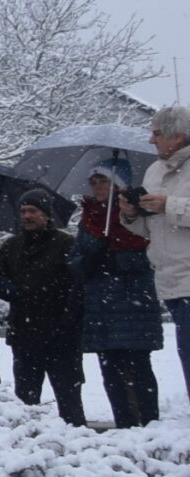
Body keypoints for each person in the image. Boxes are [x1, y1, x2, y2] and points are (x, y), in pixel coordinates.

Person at [74, 167, 162, 427]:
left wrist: (117, 260)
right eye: (93, 182)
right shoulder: (89, 219)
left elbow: (151, 256)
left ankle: (148, 422)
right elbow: (75, 256)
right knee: (110, 367)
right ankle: (123, 421)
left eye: (103, 181)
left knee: (138, 365)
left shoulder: (135, 215)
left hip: (132, 303)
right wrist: (88, 262)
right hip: (100, 305)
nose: (97, 186)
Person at [0, 191, 84, 425]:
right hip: (24, 332)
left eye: (32, 211)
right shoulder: (12, 246)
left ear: (46, 214)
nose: (27, 216)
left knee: (69, 397)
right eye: (23, 211)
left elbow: (75, 285)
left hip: (60, 333)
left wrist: (46, 296)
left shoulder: (66, 244)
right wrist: (11, 288)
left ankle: (76, 436)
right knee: (25, 399)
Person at [138, 106, 190, 395]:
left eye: (156, 134)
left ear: (178, 136)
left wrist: (169, 205)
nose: (151, 140)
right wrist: (131, 215)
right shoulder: (153, 171)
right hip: (171, 282)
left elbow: (168, 210)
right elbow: (150, 229)